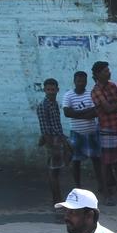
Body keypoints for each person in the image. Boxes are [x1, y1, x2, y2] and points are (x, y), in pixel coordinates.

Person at [89, 61, 117, 205]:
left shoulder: (113, 86)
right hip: (106, 129)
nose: (109, 73)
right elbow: (109, 108)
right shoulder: (96, 91)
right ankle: (106, 193)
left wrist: (114, 106)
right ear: (97, 74)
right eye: (105, 71)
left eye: (108, 70)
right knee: (106, 162)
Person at [61, 70, 104, 199]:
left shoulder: (90, 94)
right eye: (79, 80)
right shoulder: (68, 95)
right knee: (76, 161)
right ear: (74, 81)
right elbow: (67, 113)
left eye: (83, 81)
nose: (81, 83)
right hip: (76, 133)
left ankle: (101, 184)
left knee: (96, 159)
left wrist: (77, 113)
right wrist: (86, 112)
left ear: (86, 82)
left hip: (91, 132)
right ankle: (77, 185)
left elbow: (95, 112)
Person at [35, 77, 70, 208]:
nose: (51, 92)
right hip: (52, 141)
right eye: (48, 89)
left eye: (53, 89)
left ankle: (57, 199)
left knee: (57, 171)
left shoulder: (54, 104)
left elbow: (57, 125)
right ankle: (57, 200)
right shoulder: (43, 106)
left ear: (57, 90)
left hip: (58, 139)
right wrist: (52, 146)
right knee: (53, 171)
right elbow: (45, 130)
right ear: (44, 90)